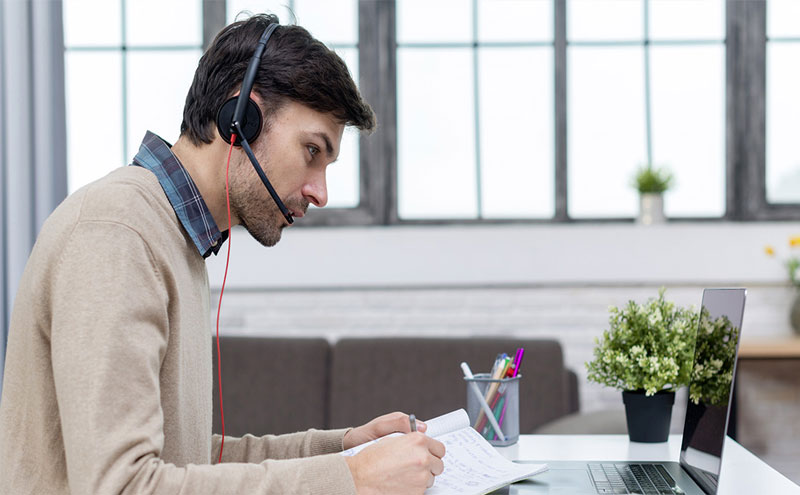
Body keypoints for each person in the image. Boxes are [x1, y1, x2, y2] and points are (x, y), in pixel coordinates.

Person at [0, 13, 445, 494]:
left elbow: (189, 458)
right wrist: (350, 480)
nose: (321, 193)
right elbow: (123, 485)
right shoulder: (117, 233)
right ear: (241, 120)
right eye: (312, 151)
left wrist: (343, 449)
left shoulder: (175, 239)